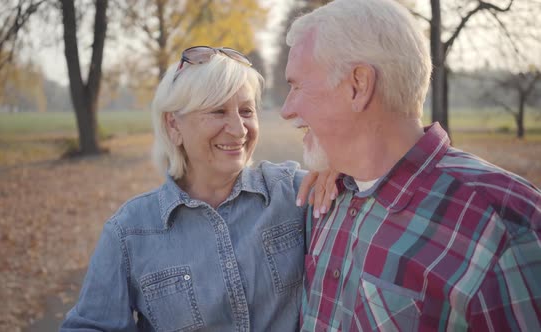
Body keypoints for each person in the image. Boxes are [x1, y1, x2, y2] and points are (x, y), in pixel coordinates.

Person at [280, 0, 541, 331]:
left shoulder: (503, 229)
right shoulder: (331, 194)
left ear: (357, 86)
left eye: (297, 86)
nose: (286, 109)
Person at [60, 46, 334, 331]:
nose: (239, 130)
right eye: (218, 111)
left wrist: (339, 163)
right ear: (173, 125)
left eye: (246, 111)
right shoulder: (129, 232)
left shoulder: (294, 192)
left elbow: (369, 192)